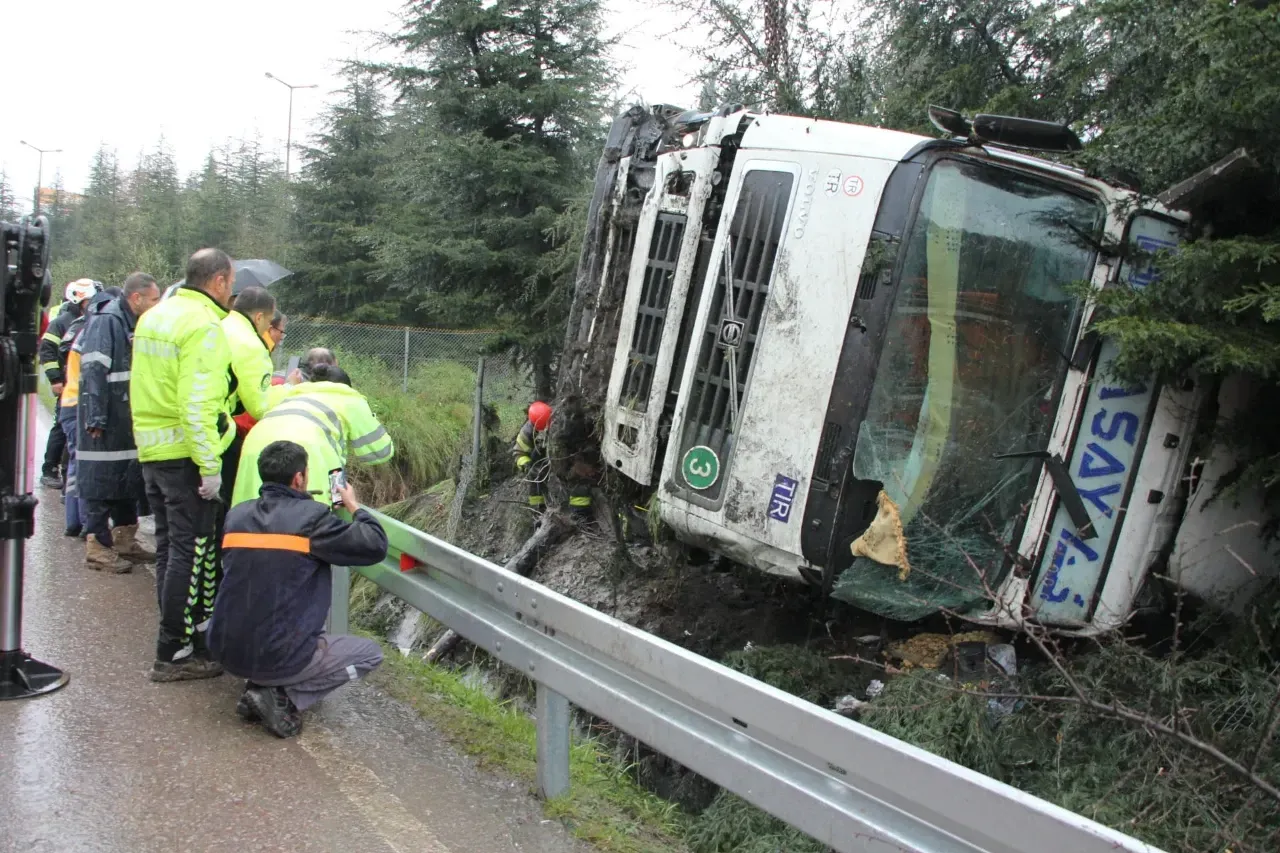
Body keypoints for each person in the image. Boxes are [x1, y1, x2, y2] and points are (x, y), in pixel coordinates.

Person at [208, 439, 387, 738]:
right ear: (299, 478)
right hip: (278, 653)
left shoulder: (235, 515)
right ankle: (281, 696)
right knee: (369, 654)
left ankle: (260, 686)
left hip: (225, 647)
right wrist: (354, 506)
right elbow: (374, 545)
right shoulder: (313, 519)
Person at [132, 248, 236, 682]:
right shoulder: (205, 326)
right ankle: (173, 651)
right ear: (218, 282)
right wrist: (210, 466)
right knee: (189, 553)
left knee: (171, 551)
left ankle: (179, 639)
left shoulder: (154, 316)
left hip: (153, 451)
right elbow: (196, 404)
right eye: (230, 283)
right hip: (184, 457)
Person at [78, 273, 162, 572]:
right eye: (153, 299)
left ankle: (124, 539)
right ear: (136, 298)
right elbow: (93, 371)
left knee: (126, 480)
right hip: (105, 419)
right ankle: (97, 546)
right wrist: (97, 416)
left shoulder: (130, 323)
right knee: (101, 483)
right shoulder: (107, 322)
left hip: (124, 417)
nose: (157, 305)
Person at [230, 364, 394, 508]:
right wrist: (338, 499)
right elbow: (380, 451)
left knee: (249, 514)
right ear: (347, 387)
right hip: (309, 451)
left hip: (255, 444)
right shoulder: (350, 398)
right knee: (309, 522)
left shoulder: (292, 392)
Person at [56, 287, 117, 539]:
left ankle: (74, 522)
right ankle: (85, 524)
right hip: (78, 406)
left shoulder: (82, 329)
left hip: (69, 404)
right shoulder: (96, 332)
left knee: (74, 467)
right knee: (84, 468)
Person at [39, 279, 100, 488]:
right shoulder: (63, 322)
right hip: (66, 383)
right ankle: (49, 469)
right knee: (60, 428)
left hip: (78, 383)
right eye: (91, 299)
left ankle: (67, 473)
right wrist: (55, 379)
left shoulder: (90, 319)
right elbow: (46, 350)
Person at [221, 286, 278, 506]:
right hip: (222, 429)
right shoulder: (251, 345)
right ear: (259, 316)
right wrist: (283, 394)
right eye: (269, 322)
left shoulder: (218, 325)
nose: (266, 328)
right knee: (223, 500)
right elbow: (258, 407)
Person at [511, 401, 553, 514]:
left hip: (555, 461)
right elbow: (518, 453)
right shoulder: (527, 432)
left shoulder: (558, 422)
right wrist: (527, 466)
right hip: (538, 463)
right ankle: (537, 511)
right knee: (534, 479)